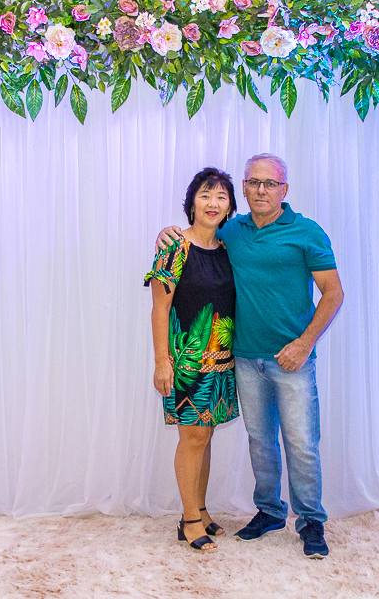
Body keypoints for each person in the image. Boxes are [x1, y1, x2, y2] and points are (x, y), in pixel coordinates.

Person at [157, 154, 343, 559]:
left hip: (292, 358)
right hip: (241, 358)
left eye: (270, 183)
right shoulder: (232, 232)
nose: (261, 190)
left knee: (301, 443)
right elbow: (194, 238)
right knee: (260, 441)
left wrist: (304, 343)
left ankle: (311, 521)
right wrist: (165, 233)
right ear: (243, 188)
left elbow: (333, 294)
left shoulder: (307, 232)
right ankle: (270, 511)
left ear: (284, 189)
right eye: (254, 182)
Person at [144, 167, 240, 553]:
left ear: (230, 206)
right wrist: (161, 362)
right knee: (193, 437)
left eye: (221, 196)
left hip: (222, 361)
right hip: (186, 363)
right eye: (205, 195)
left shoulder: (228, 249)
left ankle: (200, 508)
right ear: (192, 203)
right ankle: (188, 520)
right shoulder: (174, 247)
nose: (213, 203)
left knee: (206, 434)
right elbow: (159, 308)